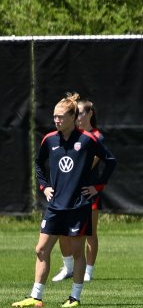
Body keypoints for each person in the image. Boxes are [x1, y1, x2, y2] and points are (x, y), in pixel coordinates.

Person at [12, 93, 117, 308]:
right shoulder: (49, 139)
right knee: (41, 249)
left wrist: (97, 188)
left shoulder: (87, 140)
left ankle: (75, 297)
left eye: (61, 117)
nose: (57, 120)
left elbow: (110, 160)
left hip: (78, 205)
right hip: (55, 206)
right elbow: (39, 164)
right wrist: (45, 186)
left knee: (77, 253)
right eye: (54, 117)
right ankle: (36, 296)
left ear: (73, 117)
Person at [51, 97, 107, 283]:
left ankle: (88, 270)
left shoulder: (96, 137)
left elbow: (88, 165)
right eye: (76, 113)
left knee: (89, 233)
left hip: (87, 192)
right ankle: (68, 268)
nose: (78, 117)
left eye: (81, 113)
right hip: (67, 193)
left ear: (90, 114)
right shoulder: (72, 136)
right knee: (61, 230)